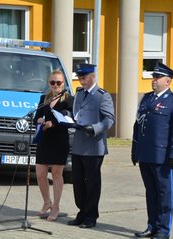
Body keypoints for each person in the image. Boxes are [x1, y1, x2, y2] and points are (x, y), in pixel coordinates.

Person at [132, 62, 173, 239]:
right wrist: (135, 150)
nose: (153, 80)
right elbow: (137, 126)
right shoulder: (146, 98)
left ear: (168, 82)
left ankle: (163, 230)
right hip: (146, 154)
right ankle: (152, 226)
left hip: (163, 157)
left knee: (165, 194)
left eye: (158, 77)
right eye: (153, 77)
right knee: (151, 193)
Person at [67, 63, 115, 228]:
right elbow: (75, 112)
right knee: (78, 182)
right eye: (79, 78)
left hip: (94, 147)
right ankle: (82, 212)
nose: (81, 81)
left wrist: (94, 128)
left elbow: (109, 119)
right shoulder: (79, 93)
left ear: (93, 76)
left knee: (92, 183)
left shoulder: (102, 96)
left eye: (84, 78)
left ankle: (91, 216)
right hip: (79, 144)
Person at [33, 70, 74, 222]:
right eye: (52, 82)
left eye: (59, 83)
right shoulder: (44, 98)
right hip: (44, 140)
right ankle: (46, 202)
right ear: (48, 83)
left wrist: (53, 123)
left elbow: (70, 118)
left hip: (59, 140)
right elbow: (36, 117)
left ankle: (56, 206)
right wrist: (39, 121)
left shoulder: (68, 99)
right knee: (40, 174)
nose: (55, 85)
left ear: (63, 84)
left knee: (56, 173)